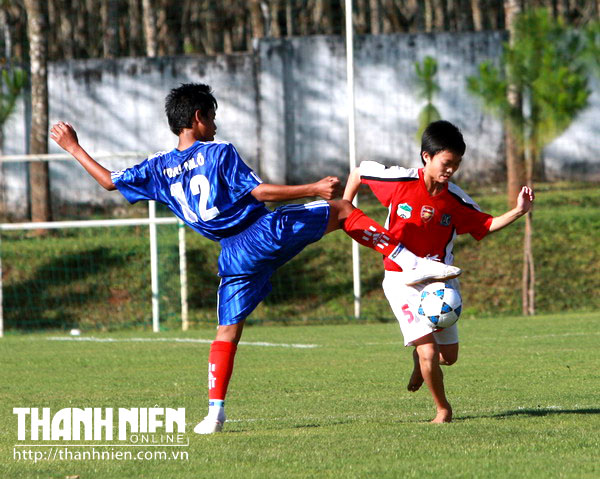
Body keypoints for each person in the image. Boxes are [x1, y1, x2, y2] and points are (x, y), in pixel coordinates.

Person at [50, 83, 461, 434]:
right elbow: (258, 193)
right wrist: (312, 187)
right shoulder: (218, 151)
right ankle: (410, 261)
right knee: (339, 209)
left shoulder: (157, 168)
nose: (216, 125)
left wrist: (73, 146)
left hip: (232, 255)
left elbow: (107, 181)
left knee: (227, 332)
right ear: (197, 117)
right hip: (261, 232)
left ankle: (214, 412)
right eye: (212, 117)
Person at [343, 120, 534, 423]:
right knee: (429, 352)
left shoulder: (454, 199)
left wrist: (518, 211)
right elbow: (359, 172)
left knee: (448, 358)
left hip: (438, 282)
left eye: (456, 164)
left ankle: (420, 360)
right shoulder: (400, 181)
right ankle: (443, 409)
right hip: (401, 279)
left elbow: (485, 224)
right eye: (446, 162)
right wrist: (346, 207)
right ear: (426, 157)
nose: (451, 170)